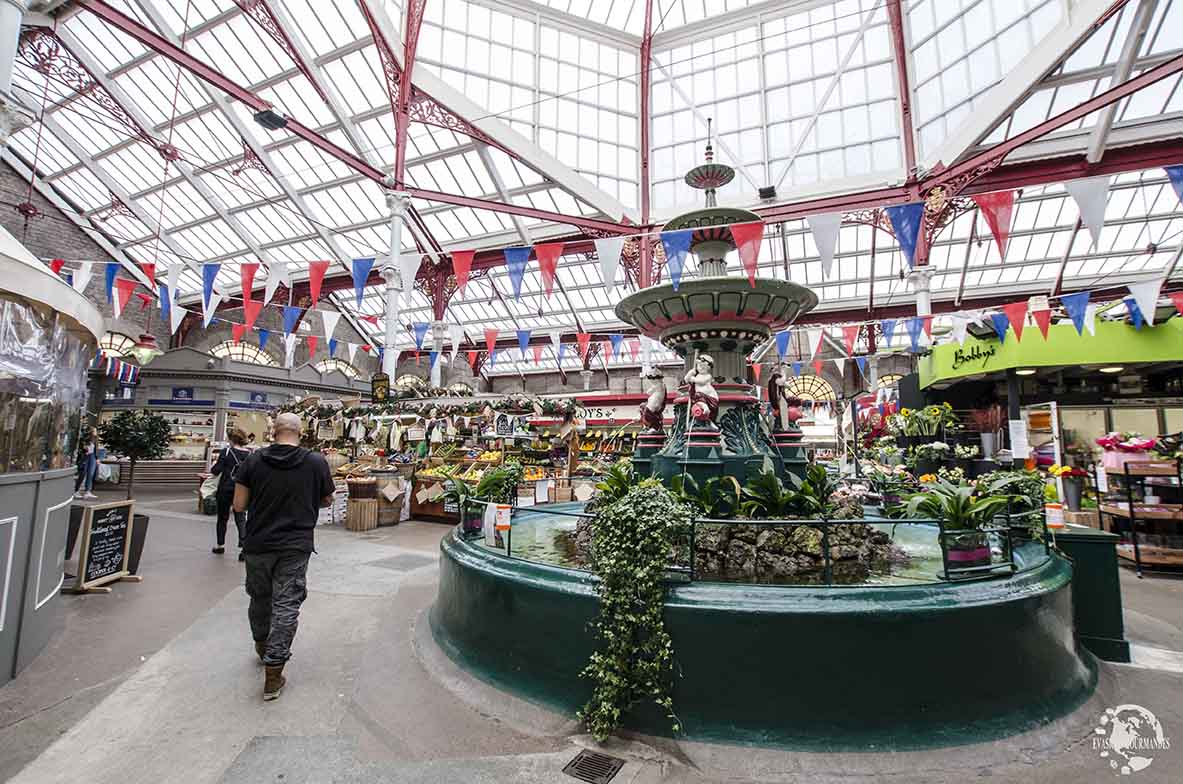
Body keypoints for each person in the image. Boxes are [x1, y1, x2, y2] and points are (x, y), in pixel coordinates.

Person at [233, 412, 334, 702]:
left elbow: (239, 505)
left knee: (260, 598)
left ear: (273, 431)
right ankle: (274, 673)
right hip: (295, 544)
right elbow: (328, 499)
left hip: (258, 544)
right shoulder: (315, 462)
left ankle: (263, 647)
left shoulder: (253, 460)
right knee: (287, 604)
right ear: (300, 432)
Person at [208, 428, 251, 559]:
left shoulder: (226, 452)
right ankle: (244, 549)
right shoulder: (250, 454)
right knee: (241, 518)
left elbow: (216, 471)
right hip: (241, 489)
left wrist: (215, 466)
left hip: (225, 489)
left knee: (222, 518)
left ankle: (220, 545)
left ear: (231, 439)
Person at [73, 426, 98, 499]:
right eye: (95, 431)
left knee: (90, 474)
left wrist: (97, 458)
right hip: (85, 457)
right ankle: (76, 491)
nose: (96, 432)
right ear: (91, 432)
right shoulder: (83, 439)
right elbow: (81, 448)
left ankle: (88, 491)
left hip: (92, 457)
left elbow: (96, 449)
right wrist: (84, 450)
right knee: (82, 474)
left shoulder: (95, 439)